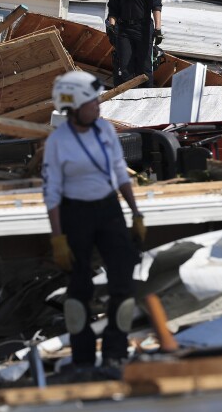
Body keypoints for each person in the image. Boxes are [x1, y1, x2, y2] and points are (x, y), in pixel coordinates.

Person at [43, 71, 146, 375]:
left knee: (123, 284)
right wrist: (58, 238)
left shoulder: (105, 130)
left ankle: (115, 353)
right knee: (79, 290)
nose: (99, 105)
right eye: (92, 101)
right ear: (73, 106)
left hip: (109, 209)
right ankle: (83, 358)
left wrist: (135, 212)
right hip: (75, 213)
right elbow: (51, 192)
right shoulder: (58, 141)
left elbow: (118, 171)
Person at [106, 0, 163, 88]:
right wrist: (111, 26)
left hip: (143, 29)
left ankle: (148, 101)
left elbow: (156, 6)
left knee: (145, 67)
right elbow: (113, 8)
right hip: (124, 30)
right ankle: (127, 102)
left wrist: (158, 29)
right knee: (124, 68)